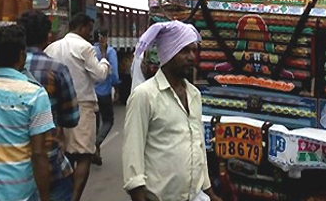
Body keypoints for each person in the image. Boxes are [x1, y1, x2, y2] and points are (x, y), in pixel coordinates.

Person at [122, 21, 222, 201]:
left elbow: (198, 147)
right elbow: (132, 157)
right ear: (168, 53)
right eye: (185, 51)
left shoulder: (194, 95)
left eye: (193, 50)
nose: (192, 57)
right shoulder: (144, 95)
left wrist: (210, 193)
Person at [45, 13, 111, 201]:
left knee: (63, 154)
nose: (91, 34)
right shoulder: (85, 48)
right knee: (83, 155)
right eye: (89, 30)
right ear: (81, 27)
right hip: (82, 106)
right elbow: (99, 75)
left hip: (57, 108)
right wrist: (104, 57)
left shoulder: (52, 48)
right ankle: (74, 198)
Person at [18, 10, 80, 201]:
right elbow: (71, 119)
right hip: (52, 164)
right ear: (47, 36)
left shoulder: (0, 70)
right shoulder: (56, 69)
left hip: (12, 169)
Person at [0, 25, 54, 201]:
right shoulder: (35, 95)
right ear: (21, 55)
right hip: (19, 192)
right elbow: (38, 153)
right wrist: (45, 197)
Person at [92, 29, 119, 166]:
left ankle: (96, 150)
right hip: (104, 92)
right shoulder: (110, 52)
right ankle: (96, 144)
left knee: (95, 122)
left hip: (92, 93)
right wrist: (116, 85)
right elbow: (114, 74)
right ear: (106, 37)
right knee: (108, 120)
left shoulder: (90, 50)